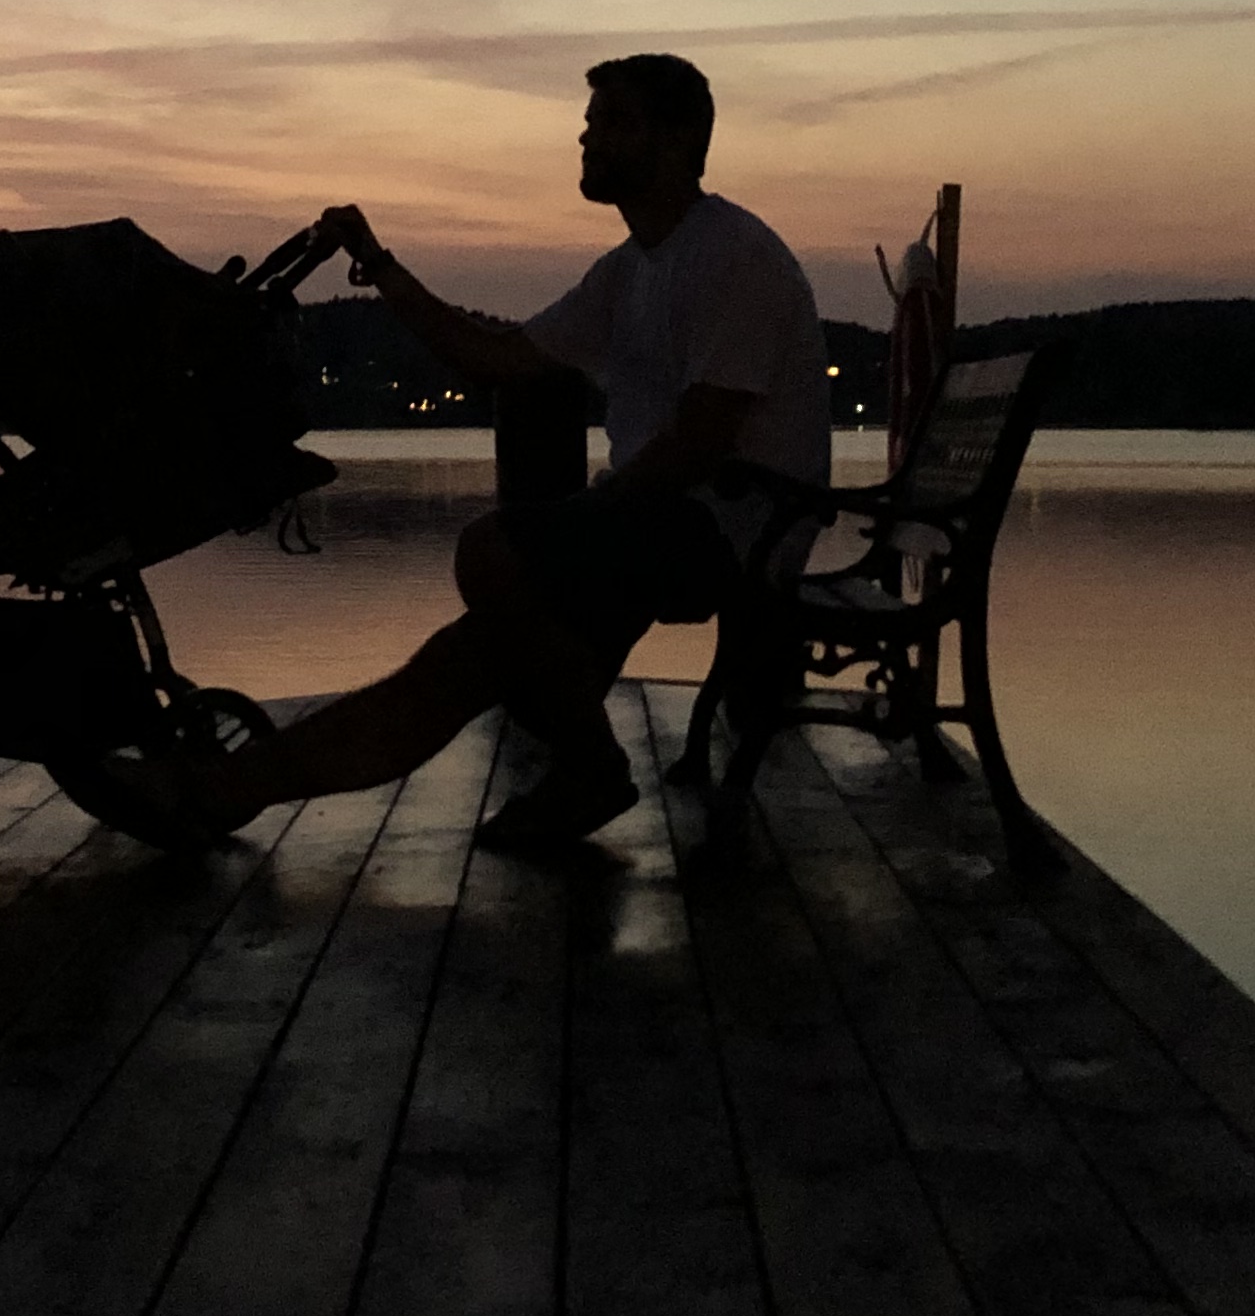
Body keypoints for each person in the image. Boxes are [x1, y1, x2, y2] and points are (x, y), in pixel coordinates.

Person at [117, 51, 827, 855]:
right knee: (473, 656)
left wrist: (582, 517)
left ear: (678, 140)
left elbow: (700, 444)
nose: (586, 139)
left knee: (494, 553)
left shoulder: (733, 255)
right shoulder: (629, 271)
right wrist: (379, 266)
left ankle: (588, 760)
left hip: (741, 528)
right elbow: (496, 357)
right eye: (589, 122)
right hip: (668, 519)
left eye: (611, 122)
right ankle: (221, 792)